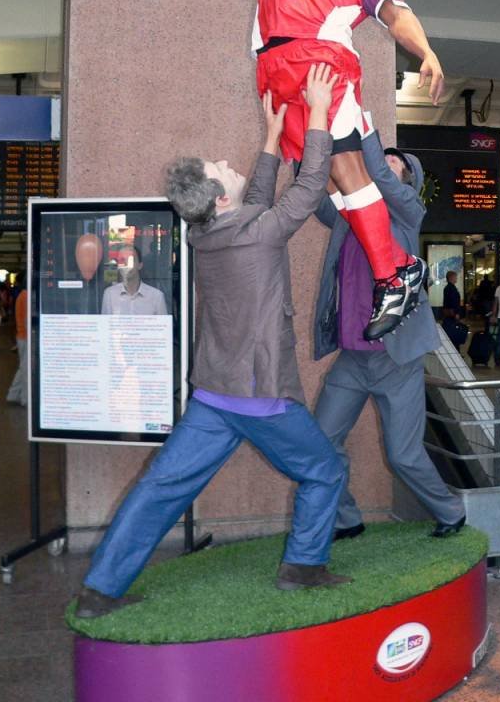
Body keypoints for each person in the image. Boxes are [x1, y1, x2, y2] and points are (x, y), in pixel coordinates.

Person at [75, 64, 350, 619]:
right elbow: (311, 185)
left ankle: (100, 589)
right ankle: (302, 567)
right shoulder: (255, 232)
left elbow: (255, 204)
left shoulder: (206, 234)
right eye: (220, 169)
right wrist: (318, 110)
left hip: (213, 396)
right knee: (326, 470)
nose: (229, 165)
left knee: (161, 488)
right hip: (260, 397)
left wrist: (272, 140)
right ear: (219, 199)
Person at [192, 0, 445, 342]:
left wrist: (424, 51)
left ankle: (393, 272)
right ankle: (394, 268)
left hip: (318, 68)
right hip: (278, 70)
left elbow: (397, 13)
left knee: (347, 171)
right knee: (331, 181)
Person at [312, 119, 467, 540]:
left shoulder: (406, 211)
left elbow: (376, 172)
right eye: (388, 155)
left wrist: (358, 122)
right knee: (321, 443)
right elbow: (314, 190)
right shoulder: (348, 215)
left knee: (403, 455)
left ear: (408, 181)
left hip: (397, 359)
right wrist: (306, 135)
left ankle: (450, 510)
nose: (388, 162)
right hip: (352, 357)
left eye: (397, 162)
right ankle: (345, 518)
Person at [101, 246, 169, 316]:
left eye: (131, 260)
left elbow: (163, 326)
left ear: (140, 265)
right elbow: (105, 325)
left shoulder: (157, 297)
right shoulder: (109, 294)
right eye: (122, 260)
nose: (127, 265)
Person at [6, 272, 28, 407]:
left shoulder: (21, 295)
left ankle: (13, 394)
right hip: (25, 337)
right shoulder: (26, 296)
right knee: (26, 369)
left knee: (23, 367)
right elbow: (26, 320)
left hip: (21, 336)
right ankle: (25, 398)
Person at [441, 270, 469, 352]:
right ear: (451, 277)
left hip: (449, 313)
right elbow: (454, 301)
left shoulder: (447, 288)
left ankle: (453, 349)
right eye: (455, 277)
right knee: (454, 331)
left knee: (451, 330)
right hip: (452, 313)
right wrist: (456, 313)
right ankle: (455, 349)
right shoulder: (452, 289)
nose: (457, 278)